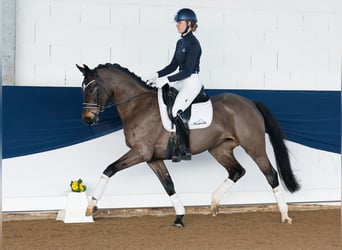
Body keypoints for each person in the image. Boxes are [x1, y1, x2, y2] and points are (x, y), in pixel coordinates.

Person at [147, 8, 203, 162]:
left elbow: (188, 71)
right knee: (160, 98)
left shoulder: (194, 44)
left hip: (191, 81)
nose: (177, 25)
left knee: (176, 110)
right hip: (180, 80)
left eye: (180, 22)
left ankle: (184, 148)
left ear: (189, 23)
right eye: (177, 22)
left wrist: (168, 80)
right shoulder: (180, 42)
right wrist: (157, 75)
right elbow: (173, 65)